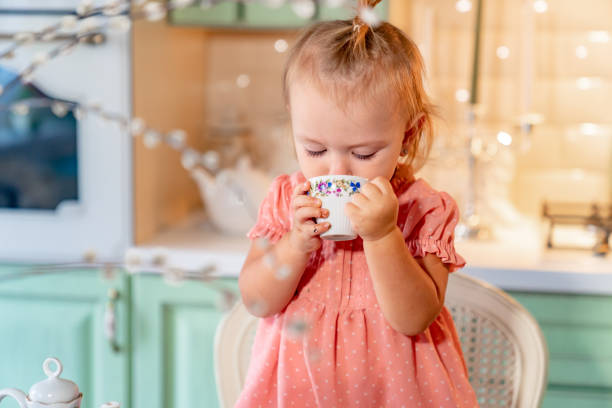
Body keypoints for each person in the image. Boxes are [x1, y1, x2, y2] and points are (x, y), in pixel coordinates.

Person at [236, 1, 479, 406]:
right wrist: (294, 245)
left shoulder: (424, 211)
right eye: (313, 149)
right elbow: (256, 300)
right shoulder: (285, 201)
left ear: (408, 136)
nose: (336, 169)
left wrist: (384, 235)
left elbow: (414, 317)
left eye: (363, 154)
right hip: (300, 392)